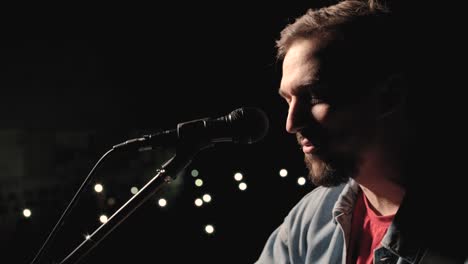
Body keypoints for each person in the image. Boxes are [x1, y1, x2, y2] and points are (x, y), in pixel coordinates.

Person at [256, 0, 467, 263]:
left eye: (314, 95)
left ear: (390, 96)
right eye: (288, 100)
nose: (291, 123)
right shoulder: (309, 219)